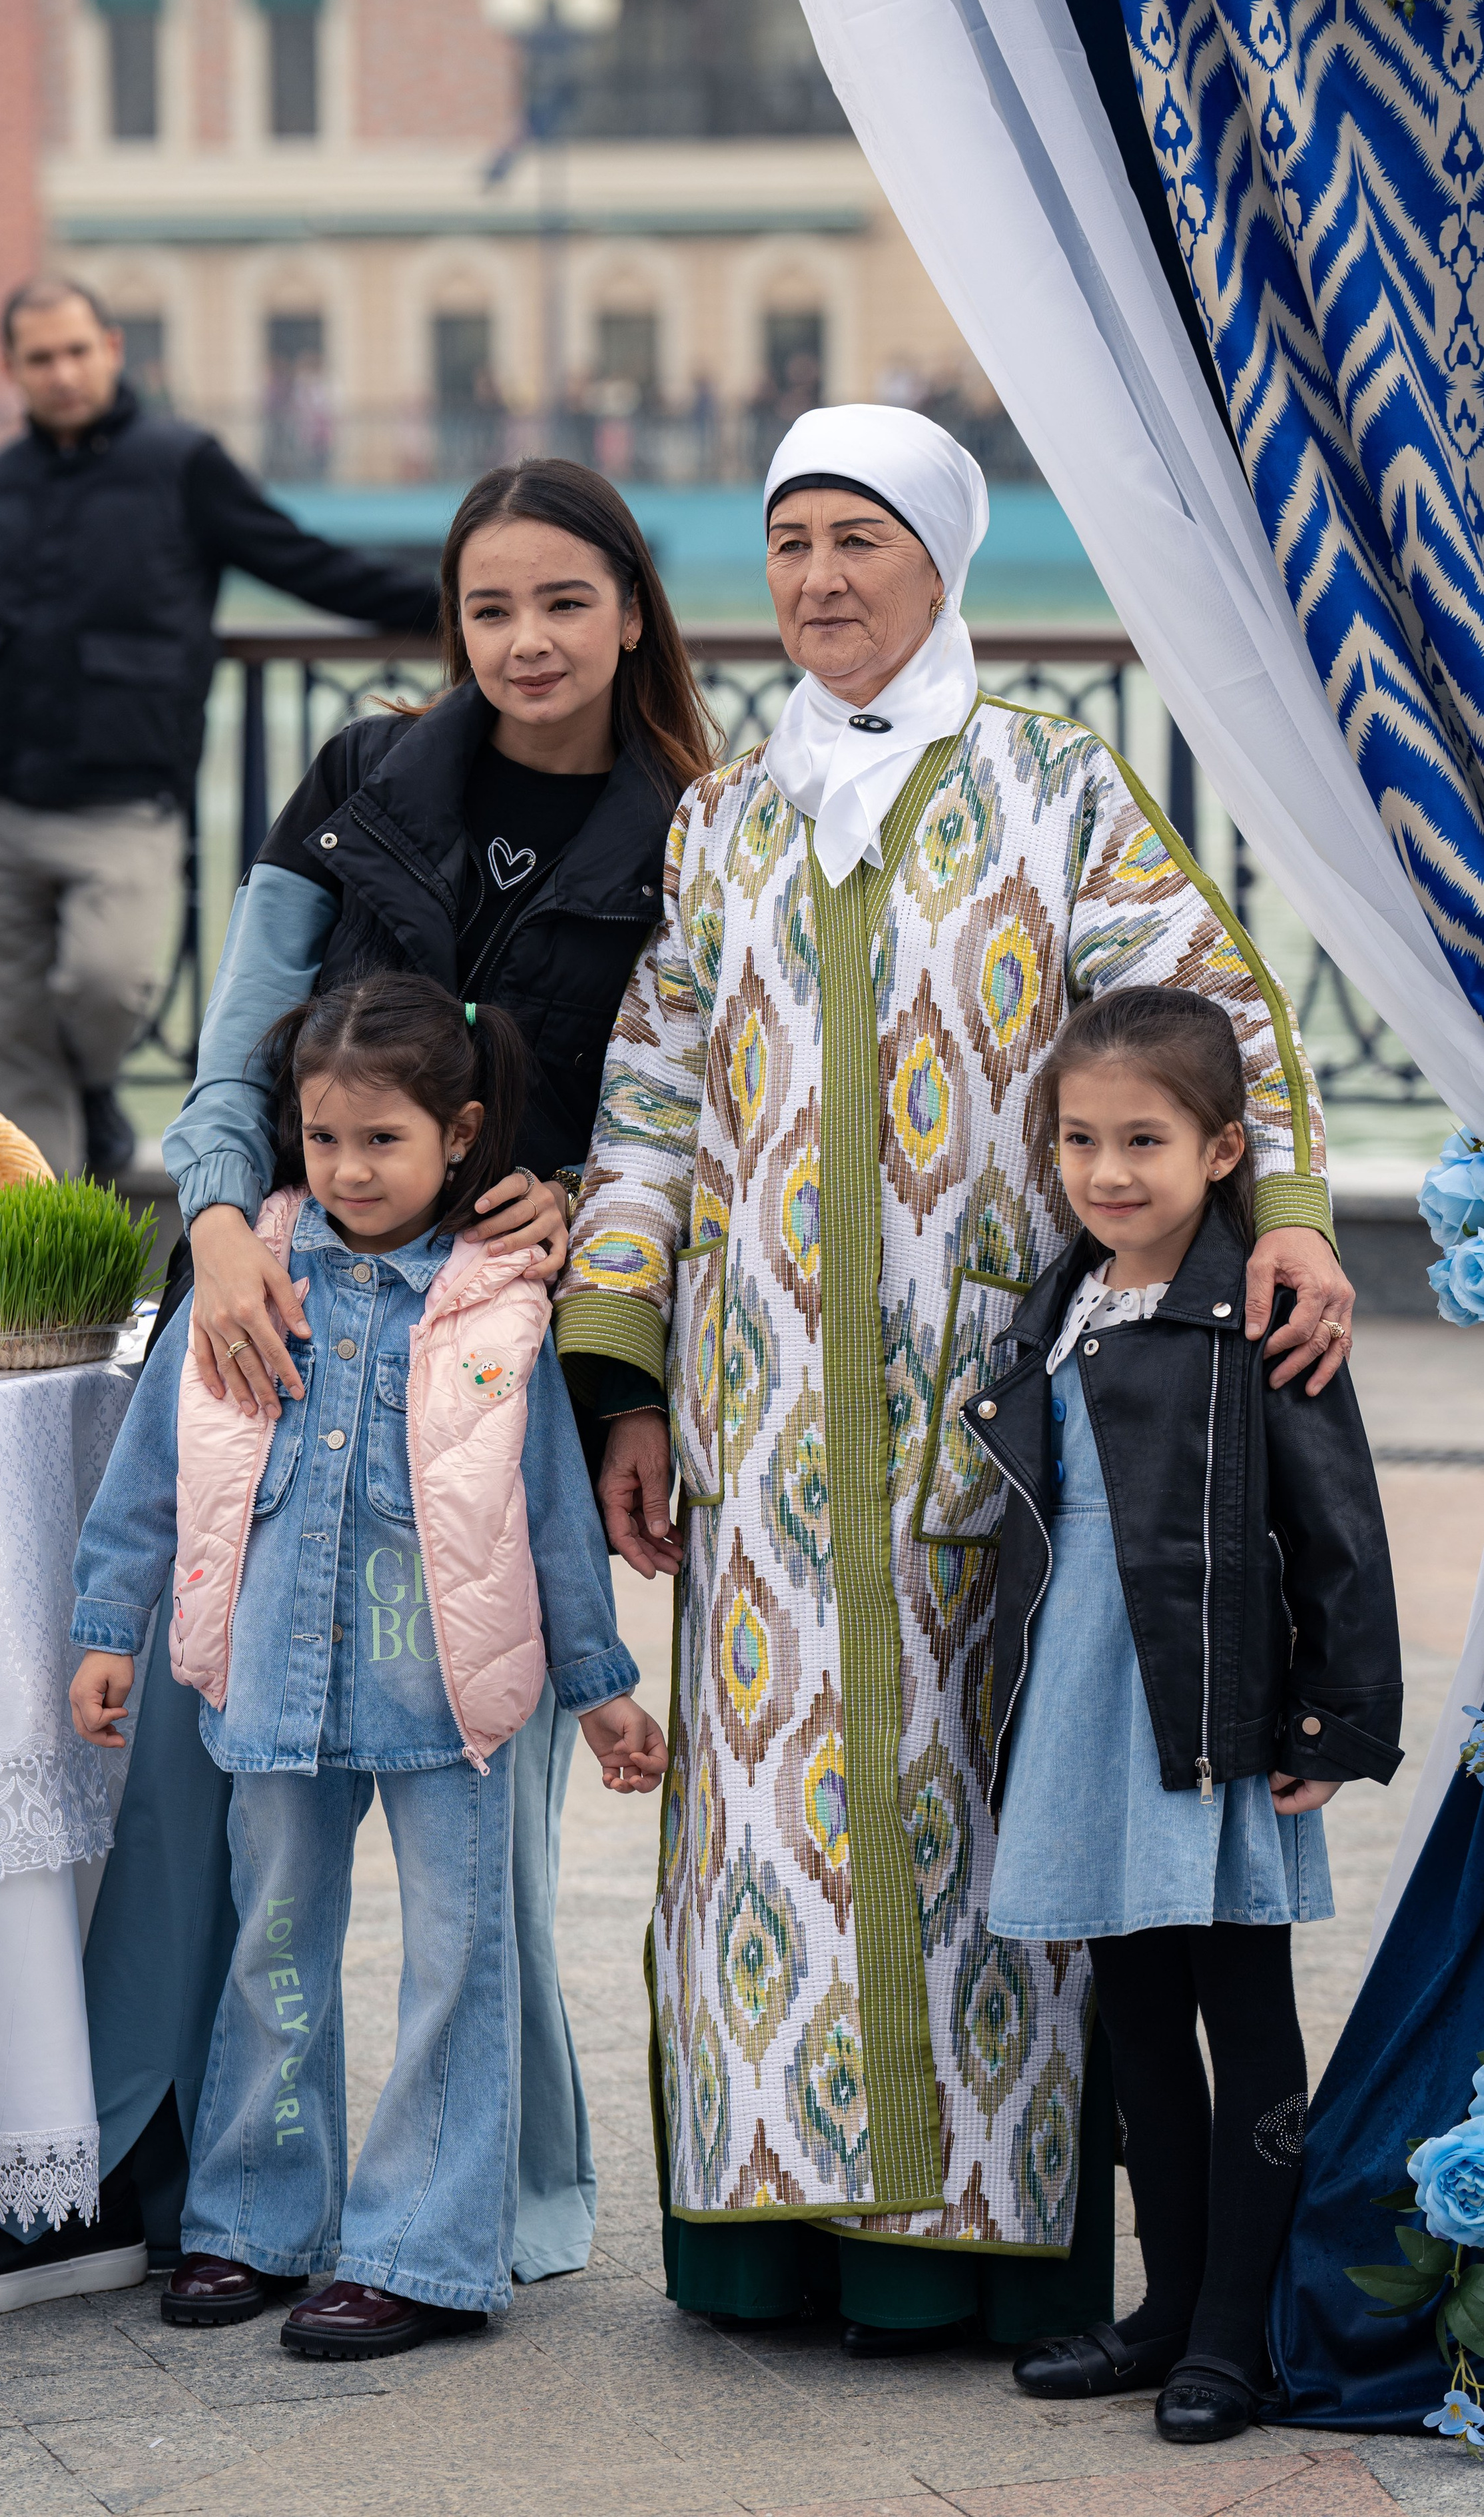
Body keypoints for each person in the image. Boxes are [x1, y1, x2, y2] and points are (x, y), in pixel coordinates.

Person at [554, 402, 1357, 2355]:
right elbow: (650, 1113)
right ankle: (771, 2240)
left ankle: (977, 2249)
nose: (822, 583)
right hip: (757, 1428)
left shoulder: (1053, 789)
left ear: (941, 561)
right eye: (793, 546)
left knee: (992, 1813)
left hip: (1001, 1417)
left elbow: (1214, 1021)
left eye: (862, 542)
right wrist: (627, 1383)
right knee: (768, 1817)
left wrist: (1299, 1215)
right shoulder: (728, 815)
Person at [0, 459, 713, 2326]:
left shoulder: (696, 829)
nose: (526, 642)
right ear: (454, 618)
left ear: (629, 615)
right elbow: (233, 1063)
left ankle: (474, 2217)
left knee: (472, 1844)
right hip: (279, 1326)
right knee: (202, 1779)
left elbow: (705, 1110)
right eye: (491, 606)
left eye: (565, 604)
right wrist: (211, 1231)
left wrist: (590, 1192)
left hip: (506, 1358)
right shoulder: (361, 781)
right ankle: (126, 2165)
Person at [62, 975, 666, 2354]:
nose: (346, 1168)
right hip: (268, 1680)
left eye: (380, 1142)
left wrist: (602, 1686)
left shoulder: (501, 1300)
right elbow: (155, 1467)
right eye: (322, 1139)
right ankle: (252, 2221)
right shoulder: (251, 1278)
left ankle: (420, 2250)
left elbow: (552, 1516)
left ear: (458, 1135)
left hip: (453, 1695)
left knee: (455, 1965)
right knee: (276, 1947)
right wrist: (110, 1626)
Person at [968, 986, 1401, 2442]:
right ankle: (1162, 2312)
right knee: (1134, 2019)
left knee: (1242, 2014)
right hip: (1087, 1709)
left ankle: (1236, 2336)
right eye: (1076, 1140)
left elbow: (1337, 1528)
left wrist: (1336, 1721)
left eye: (1141, 1140)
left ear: (1222, 1150)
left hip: (1207, 1711)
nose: (1105, 1173)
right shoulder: (1059, 1302)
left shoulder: (1255, 1316)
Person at [0, 275, 438, 1181]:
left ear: (113, 351)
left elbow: (302, 561)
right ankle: (46, 1231)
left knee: (108, 985)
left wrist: (465, 613)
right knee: (8, 1034)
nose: (62, 373)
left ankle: (97, 1087)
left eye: (78, 351)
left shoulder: (182, 462)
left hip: (126, 796)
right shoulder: (4, 476)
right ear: (11, 369)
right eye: (40, 358)